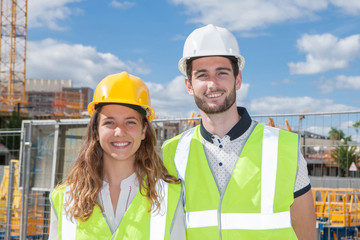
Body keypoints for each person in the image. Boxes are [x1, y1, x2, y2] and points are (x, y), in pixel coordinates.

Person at [162, 24, 316, 239]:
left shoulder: (283, 148)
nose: (212, 84)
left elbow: (306, 232)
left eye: (222, 73)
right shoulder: (172, 152)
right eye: (202, 75)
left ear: (238, 79)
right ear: (189, 85)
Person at [49, 72, 185, 239]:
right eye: (109, 122)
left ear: (143, 131)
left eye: (130, 122)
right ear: (96, 131)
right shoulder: (64, 198)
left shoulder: (169, 196)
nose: (119, 131)